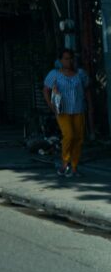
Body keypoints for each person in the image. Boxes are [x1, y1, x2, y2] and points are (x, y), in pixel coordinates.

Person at [43, 49, 94, 178]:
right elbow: (46, 90)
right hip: (62, 111)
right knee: (69, 135)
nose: (69, 61)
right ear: (60, 61)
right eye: (66, 58)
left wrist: (89, 107)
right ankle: (65, 163)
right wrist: (51, 105)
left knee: (78, 138)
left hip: (78, 109)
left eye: (71, 58)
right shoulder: (54, 74)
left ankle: (74, 167)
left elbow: (87, 89)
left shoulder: (80, 74)